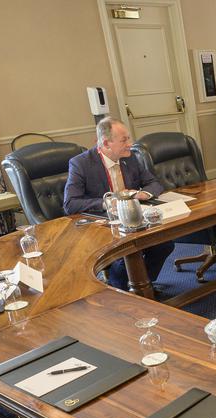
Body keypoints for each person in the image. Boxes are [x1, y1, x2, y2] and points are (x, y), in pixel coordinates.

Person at [62, 117, 174, 293]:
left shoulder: (130, 158)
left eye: (129, 138)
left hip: (133, 219)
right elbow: (70, 203)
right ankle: (118, 293)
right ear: (106, 144)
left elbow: (154, 183)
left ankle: (143, 285)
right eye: (124, 140)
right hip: (103, 224)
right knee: (124, 255)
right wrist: (107, 203)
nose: (131, 143)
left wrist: (143, 193)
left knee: (164, 244)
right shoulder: (81, 163)